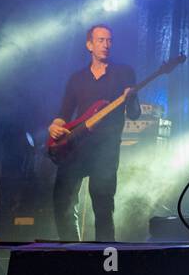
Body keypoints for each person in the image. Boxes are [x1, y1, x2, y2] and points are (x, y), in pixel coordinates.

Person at [48, 23, 141, 241]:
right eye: (101, 40)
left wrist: (133, 97)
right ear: (89, 45)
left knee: (102, 204)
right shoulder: (77, 78)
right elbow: (64, 112)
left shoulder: (124, 72)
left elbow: (134, 114)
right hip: (76, 146)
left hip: (106, 149)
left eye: (109, 40)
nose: (106, 44)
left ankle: (104, 257)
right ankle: (70, 251)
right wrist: (55, 126)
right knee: (62, 200)